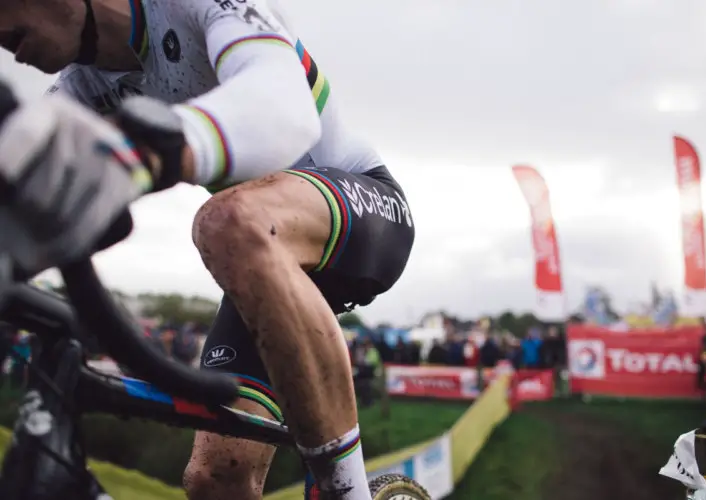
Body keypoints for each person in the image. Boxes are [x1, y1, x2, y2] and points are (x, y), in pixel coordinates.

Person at [0, 0, 415, 497]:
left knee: (227, 221)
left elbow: (283, 108)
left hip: (361, 206)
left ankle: (348, 493)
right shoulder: (78, 88)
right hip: (263, 260)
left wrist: (141, 156)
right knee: (216, 478)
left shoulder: (193, 5)